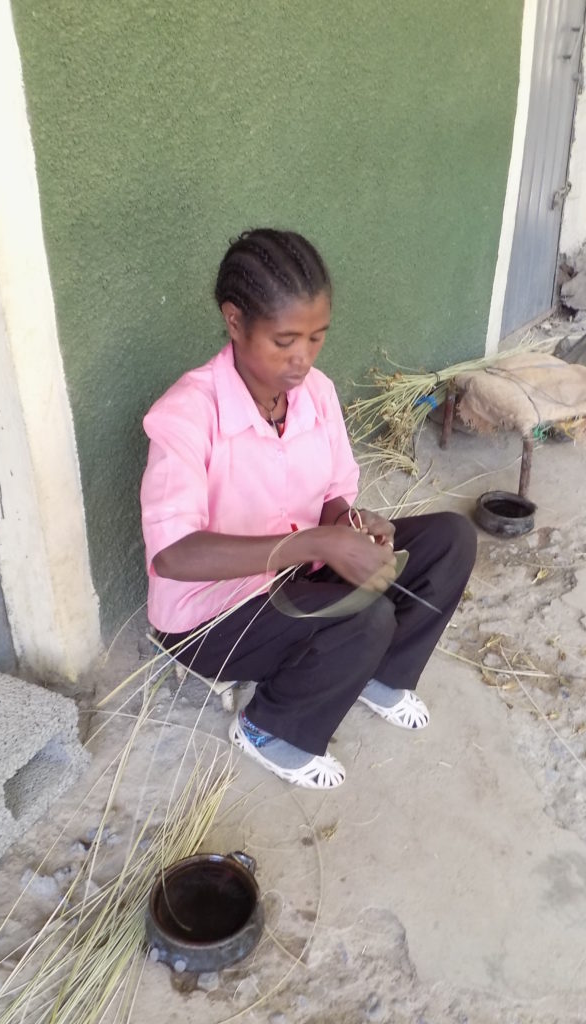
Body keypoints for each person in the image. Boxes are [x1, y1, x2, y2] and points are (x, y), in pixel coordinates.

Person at [140, 228, 476, 790]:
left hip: (298, 572)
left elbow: (330, 495)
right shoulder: (186, 415)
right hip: (213, 617)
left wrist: (348, 524)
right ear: (234, 322)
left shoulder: (315, 393)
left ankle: (380, 675)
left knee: (450, 540)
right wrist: (316, 545)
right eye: (284, 340)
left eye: (316, 338)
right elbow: (173, 556)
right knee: (365, 615)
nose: (302, 359)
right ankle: (272, 729)